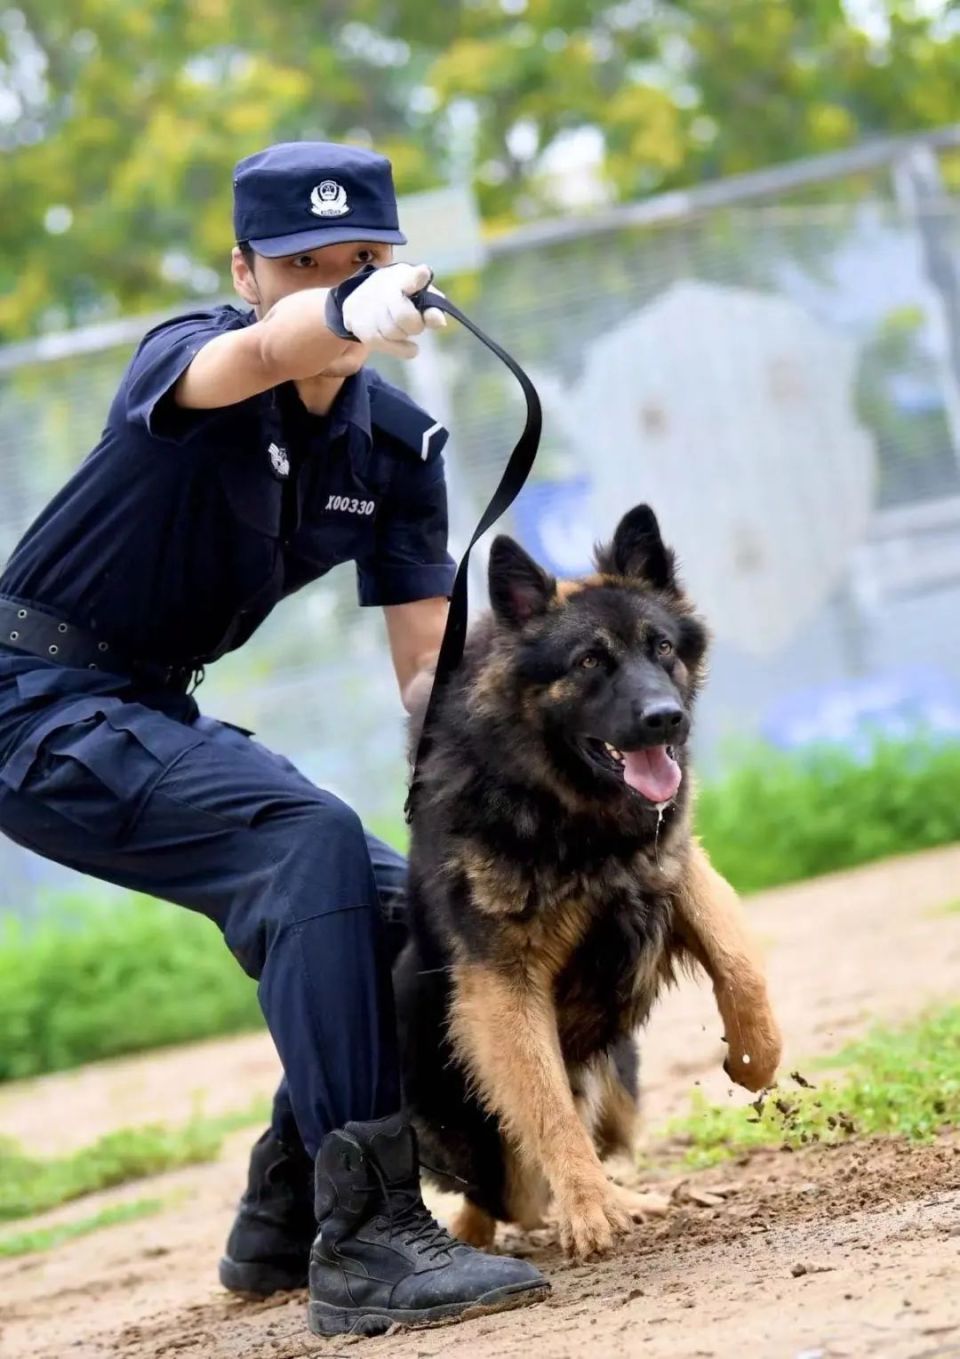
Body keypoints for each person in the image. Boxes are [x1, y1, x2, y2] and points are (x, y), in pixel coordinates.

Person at [0, 141, 548, 1338]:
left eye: (361, 259)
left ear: (402, 263)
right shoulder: (188, 362)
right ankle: (369, 1244)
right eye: (301, 264)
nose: (334, 282)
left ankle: (287, 1209)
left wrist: (503, 777)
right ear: (243, 270)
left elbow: (426, 677)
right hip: (28, 701)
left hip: (144, 709)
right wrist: (339, 308)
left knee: (409, 912)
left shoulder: (398, 452)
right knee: (300, 837)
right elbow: (255, 356)